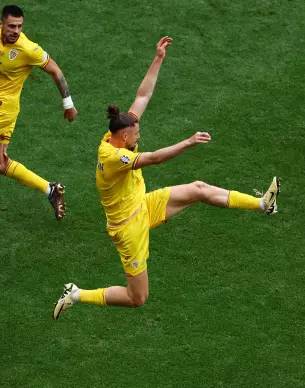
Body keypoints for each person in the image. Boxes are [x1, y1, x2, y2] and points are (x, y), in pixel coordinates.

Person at [52, 37, 281, 319]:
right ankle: (76, 294)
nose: (139, 136)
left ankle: (262, 204)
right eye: (136, 135)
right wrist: (189, 142)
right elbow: (154, 158)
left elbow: (143, 96)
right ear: (124, 137)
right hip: (128, 229)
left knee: (198, 189)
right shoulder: (115, 157)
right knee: (138, 298)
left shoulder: (117, 134)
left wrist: (158, 58)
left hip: (144, 205)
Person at [0, 4, 77, 220]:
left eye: (20, 26)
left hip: (2, 110)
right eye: (12, 26)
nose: (16, 31)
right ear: (1, 24)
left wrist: (68, 105)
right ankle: (50, 189)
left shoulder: (28, 49)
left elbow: (55, 71)